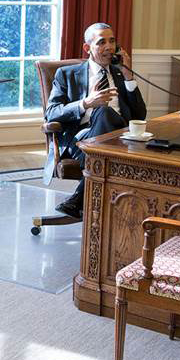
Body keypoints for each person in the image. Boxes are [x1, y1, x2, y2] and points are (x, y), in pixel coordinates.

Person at [45, 22, 146, 218]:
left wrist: (129, 76)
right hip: (81, 140)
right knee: (103, 112)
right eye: (101, 42)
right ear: (87, 48)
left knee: (107, 114)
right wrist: (86, 103)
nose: (109, 47)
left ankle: (79, 198)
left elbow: (139, 116)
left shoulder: (120, 73)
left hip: (120, 136)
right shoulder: (67, 74)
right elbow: (52, 113)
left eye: (112, 41)